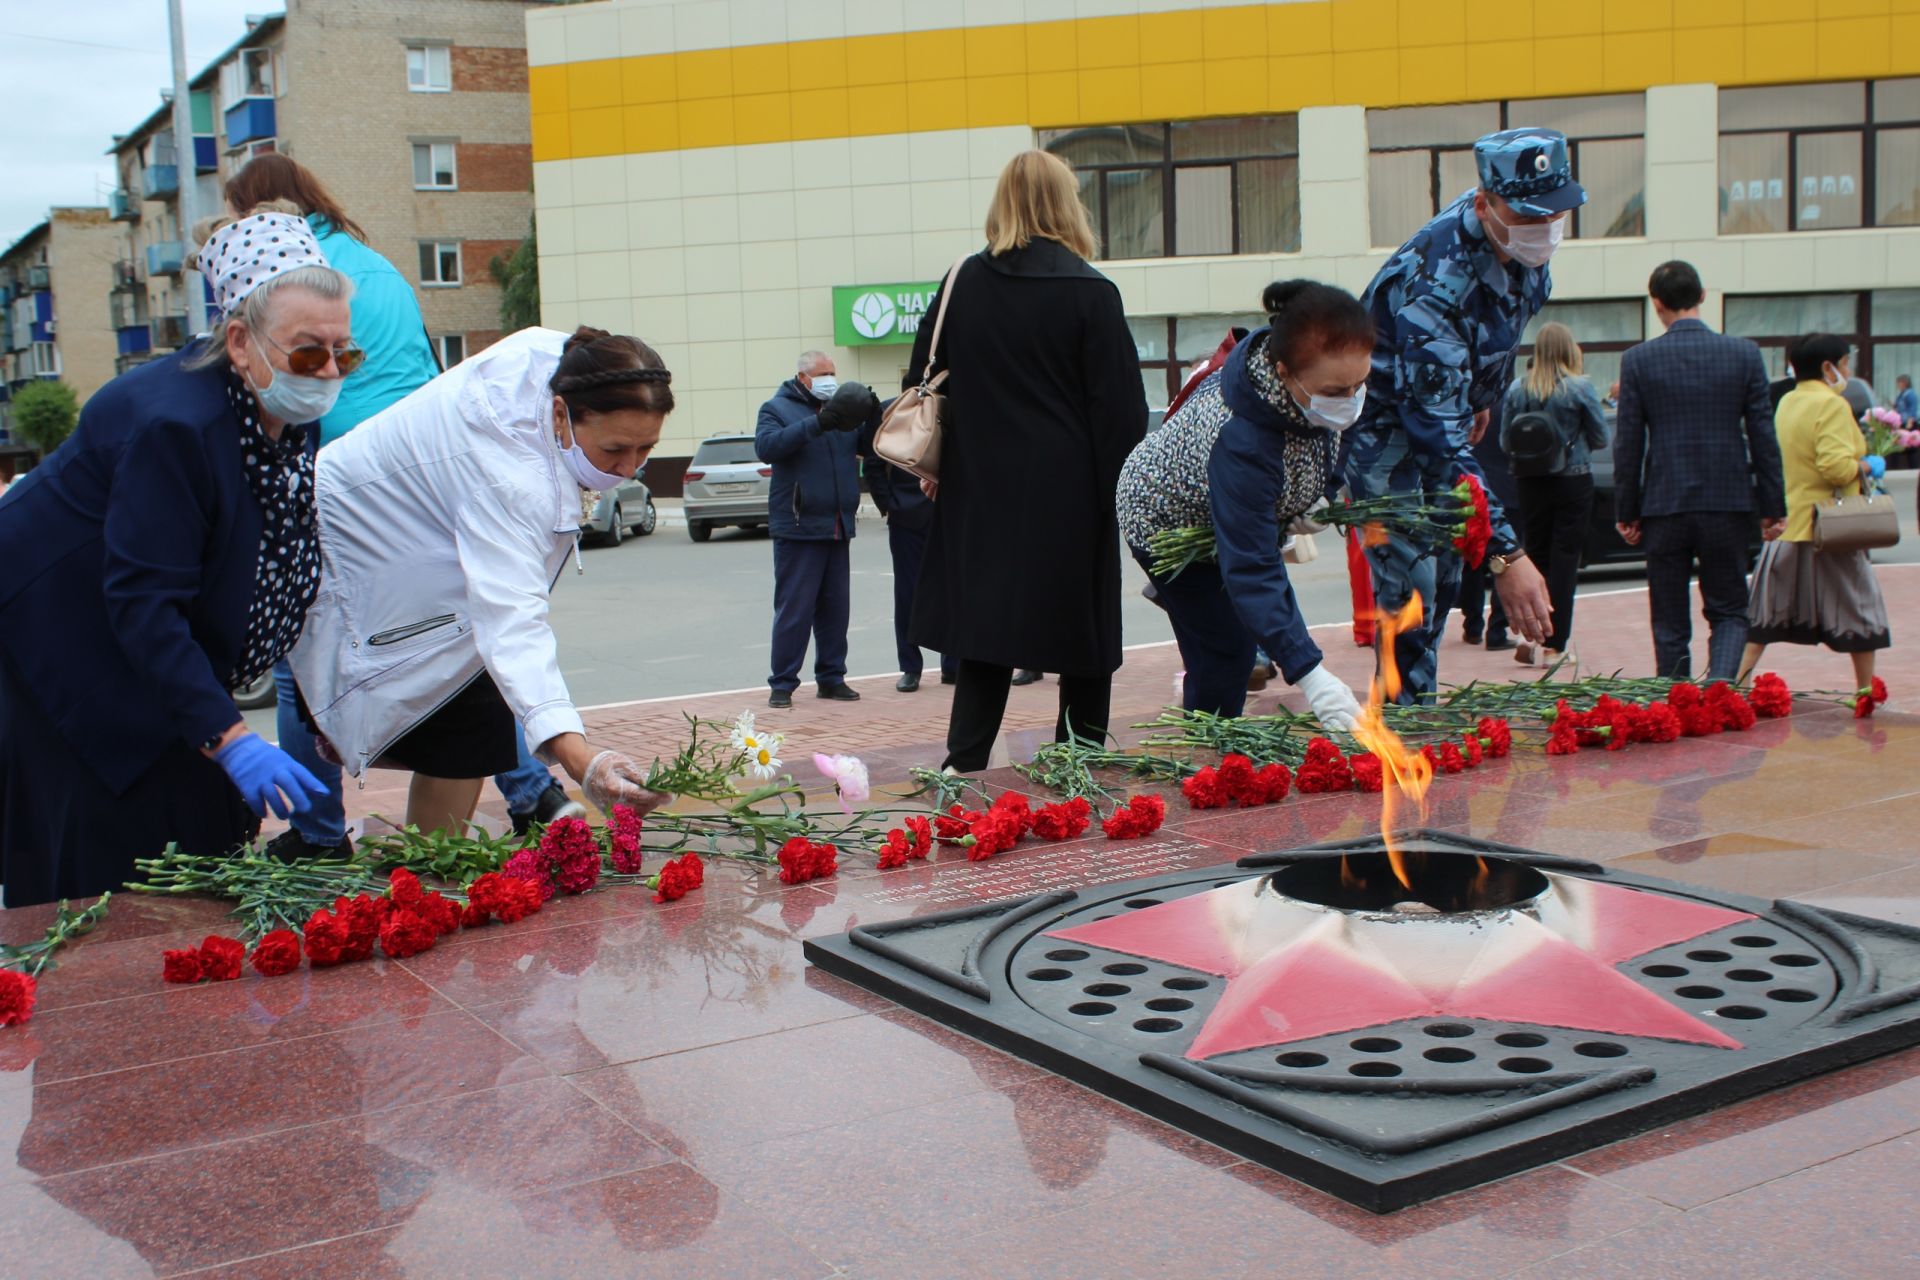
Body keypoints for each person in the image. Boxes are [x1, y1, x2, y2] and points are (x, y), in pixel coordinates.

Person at [224, 155, 580, 849]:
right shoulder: (377, 265)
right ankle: (535, 793)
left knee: (304, 661)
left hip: (343, 480)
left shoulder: (290, 276)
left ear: (259, 212)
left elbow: (283, 388)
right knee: (463, 645)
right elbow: (425, 370)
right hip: (423, 477)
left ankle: (319, 832)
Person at [0, 211, 350, 906]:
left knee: (204, 808)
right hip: (55, 626)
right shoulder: (172, 424)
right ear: (240, 342)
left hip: (144, 622)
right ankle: (102, 987)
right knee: (113, 818)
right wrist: (230, 738)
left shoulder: (286, 410)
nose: (332, 371)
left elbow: (287, 571)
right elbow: (143, 601)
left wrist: (323, 711)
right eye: (310, 351)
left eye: (346, 352)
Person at [287, 326, 674, 836]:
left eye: (646, 448)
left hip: (422, 544)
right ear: (561, 414)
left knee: (471, 711)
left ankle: (430, 869)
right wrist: (582, 761)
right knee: (460, 708)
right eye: (615, 449)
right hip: (350, 554)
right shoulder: (509, 475)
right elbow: (513, 621)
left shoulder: (573, 362)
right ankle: (422, 872)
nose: (629, 468)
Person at [905, 150, 1148, 771]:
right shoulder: (1091, 291)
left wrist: (946, 467)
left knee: (986, 633)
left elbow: (923, 380)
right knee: (1082, 635)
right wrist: (1109, 501)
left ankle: (963, 768)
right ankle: (1078, 767)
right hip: (1071, 492)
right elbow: (1120, 413)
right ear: (1068, 203)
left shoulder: (964, 282)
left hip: (981, 487)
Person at [1348, 127, 1559, 701]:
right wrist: (1506, 556)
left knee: (1442, 575)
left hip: (1444, 410)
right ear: (1485, 203)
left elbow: (1504, 333)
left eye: (1554, 213)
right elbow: (1436, 435)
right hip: (1388, 433)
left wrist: (1483, 395)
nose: (1543, 229)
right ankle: (1403, 733)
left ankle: (1416, 710)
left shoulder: (1521, 248)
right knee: (1410, 583)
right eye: (1528, 215)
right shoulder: (1435, 283)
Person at [1117, 280, 1369, 725]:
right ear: (1283, 372)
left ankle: (1211, 741)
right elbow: (1252, 566)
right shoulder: (1241, 439)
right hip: (1166, 522)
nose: (1349, 402)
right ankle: (1207, 758)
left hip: (1229, 516)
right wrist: (1310, 674)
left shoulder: (1319, 387)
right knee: (1228, 651)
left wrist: (1322, 493)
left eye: (1358, 385)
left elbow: (1335, 437)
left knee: (1226, 640)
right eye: (1335, 392)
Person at [1613, 261, 1787, 681]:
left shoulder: (1639, 360)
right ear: (1703, 295)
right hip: (1726, 501)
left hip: (1664, 504)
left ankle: (1677, 701)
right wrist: (1772, 505)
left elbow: (1629, 443)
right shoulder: (1744, 354)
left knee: (1669, 618)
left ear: (1657, 303)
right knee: (1729, 610)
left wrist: (1627, 510)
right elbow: (1763, 436)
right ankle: (1720, 691)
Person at [1737, 333, 1891, 687]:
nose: (1846, 370)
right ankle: (1865, 691)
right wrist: (1868, 465)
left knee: (1765, 614)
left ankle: (1738, 684)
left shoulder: (1788, 401)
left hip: (1790, 525)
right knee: (1858, 608)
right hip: (1832, 528)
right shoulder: (1832, 405)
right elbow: (1836, 467)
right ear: (1828, 367)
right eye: (1844, 363)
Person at [755, 351, 873, 709]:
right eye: (824, 373)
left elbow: (869, 448)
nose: (831, 379)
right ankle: (783, 683)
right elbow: (767, 447)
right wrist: (818, 423)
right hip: (798, 525)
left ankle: (832, 678)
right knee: (795, 609)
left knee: (836, 609)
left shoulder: (841, 411)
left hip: (837, 523)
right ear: (804, 378)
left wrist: (872, 414)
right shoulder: (776, 408)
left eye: (834, 373)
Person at [1500, 322, 1611, 665]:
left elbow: (1506, 441)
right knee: (1565, 560)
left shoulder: (1518, 389)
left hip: (1530, 481)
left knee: (1535, 556)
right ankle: (1554, 644)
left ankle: (1529, 637)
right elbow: (1601, 437)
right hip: (1572, 480)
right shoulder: (1579, 388)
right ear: (1568, 349)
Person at [859, 404, 956, 692]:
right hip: (907, 518)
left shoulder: (954, 405)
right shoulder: (893, 410)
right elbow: (875, 460)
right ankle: (910, 667)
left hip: (950, 515)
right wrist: (889, 505)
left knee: (952, 590)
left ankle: (953, 665)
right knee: (907, 594)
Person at [1456, 393, 1517, 651]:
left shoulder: (1464, 403)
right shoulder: (1511, 401)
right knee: (1505, 560)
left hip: (1473, 486)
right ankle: (1497, 630)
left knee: (1473, 560)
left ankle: (1473, 625)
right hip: (1507, 486)